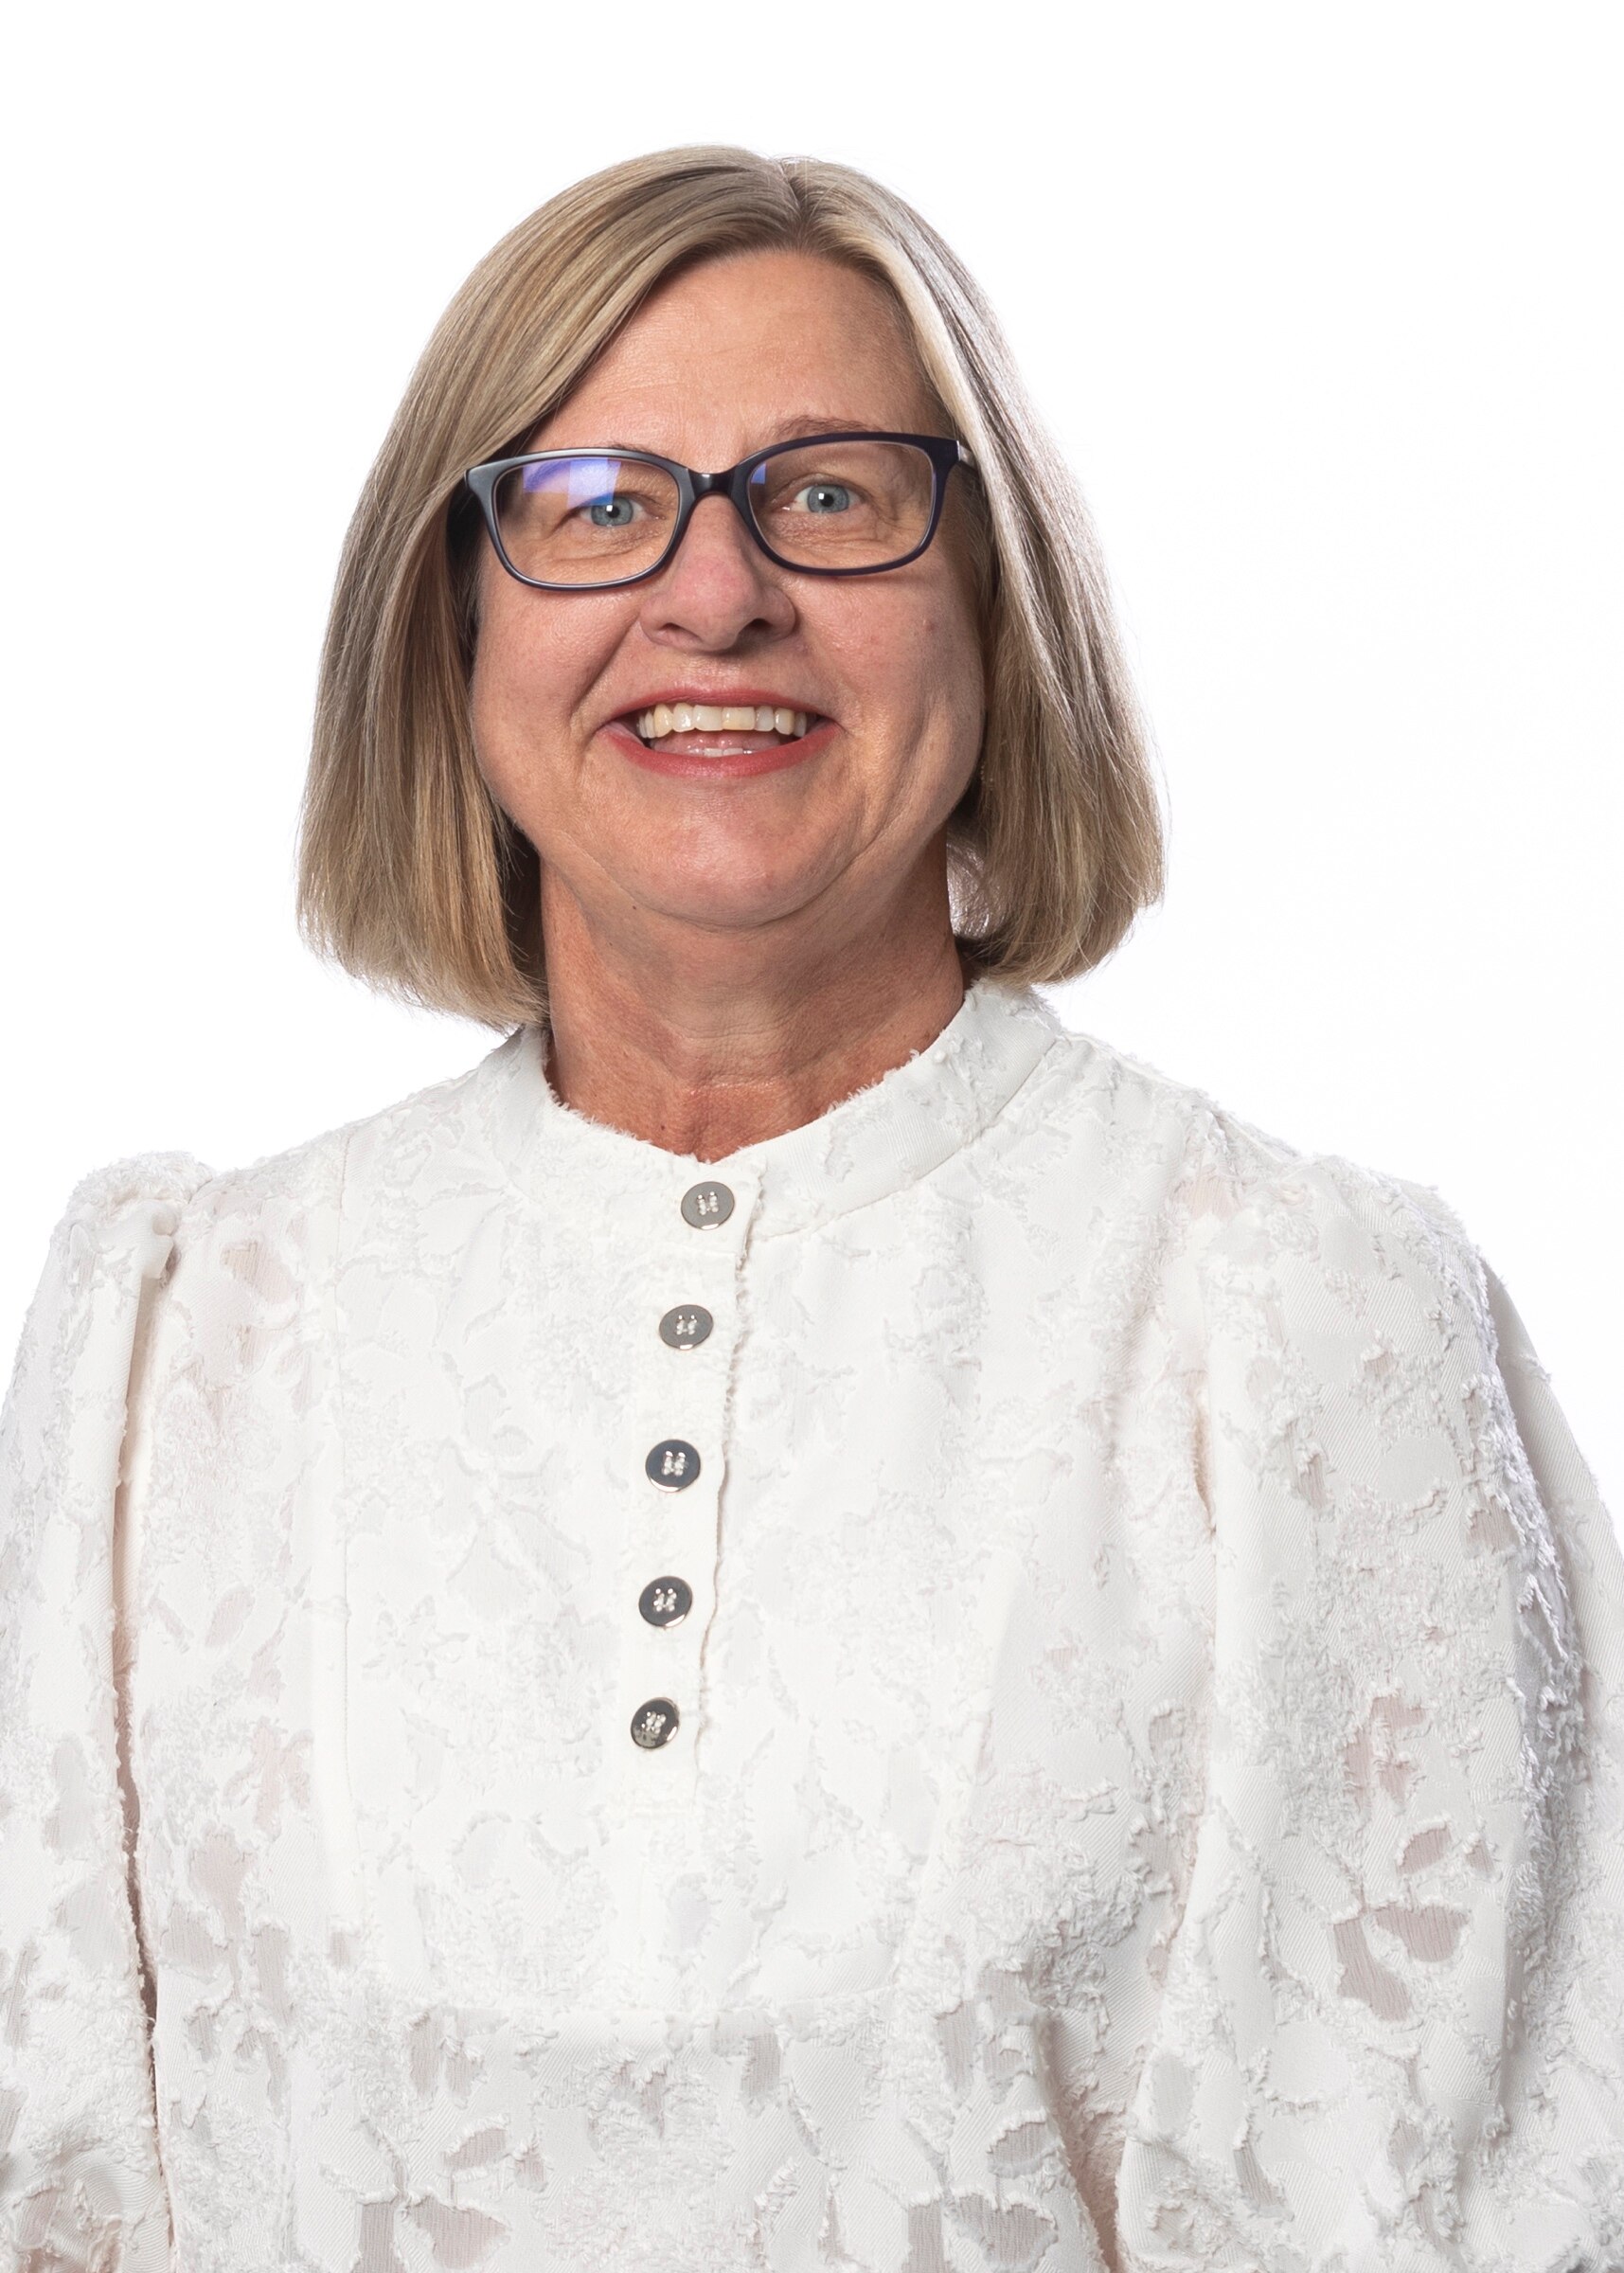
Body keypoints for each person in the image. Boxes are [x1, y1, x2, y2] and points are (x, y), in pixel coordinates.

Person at [2, 144, 1619, 2273]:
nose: (715, 596)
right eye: (597, 505)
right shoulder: (168, 1353)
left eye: (833, 496)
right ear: (453, 621)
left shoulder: (1304, 1327)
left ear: (995, 598)